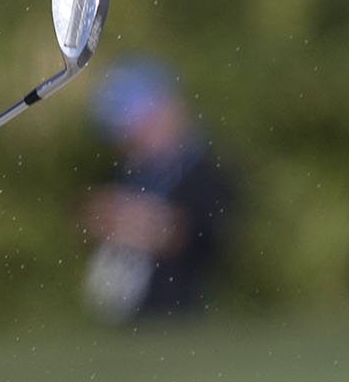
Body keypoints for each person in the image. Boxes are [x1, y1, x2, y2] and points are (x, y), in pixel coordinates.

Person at [77, 55, 235, 322]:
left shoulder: (204, 172)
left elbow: (193, 233)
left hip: (184, 314)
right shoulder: (128, 170)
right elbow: (91, 215)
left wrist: (133, 221)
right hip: (127, 317)